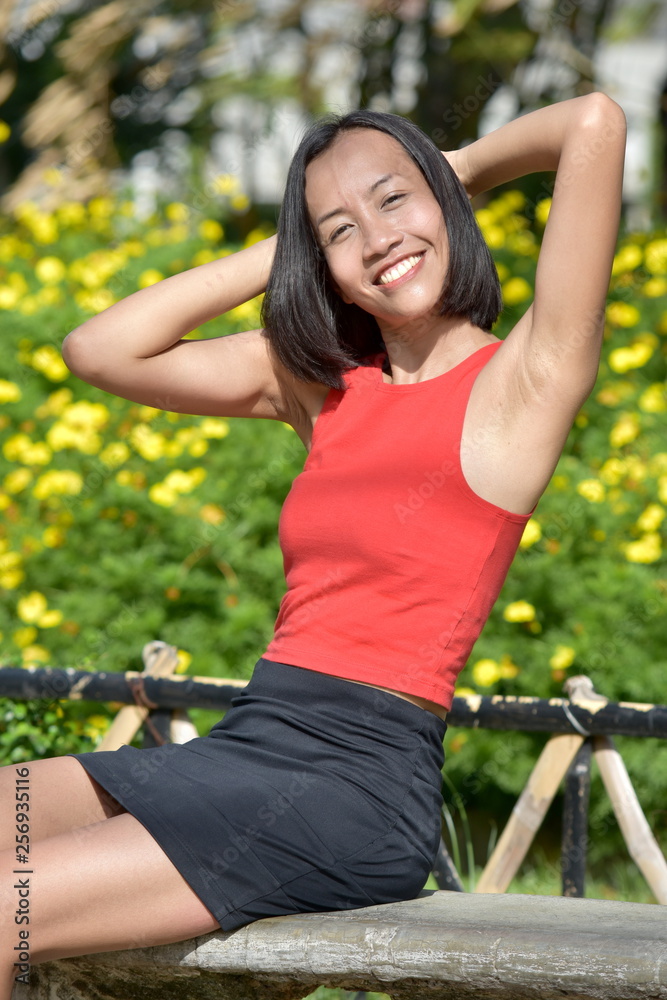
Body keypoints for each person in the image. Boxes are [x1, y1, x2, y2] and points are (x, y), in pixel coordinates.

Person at [0, 91, 626, 994]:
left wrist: (447, 173)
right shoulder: (324, 388)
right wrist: (296, 242)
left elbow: (592, 122)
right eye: (338, 232)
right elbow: (98, 349)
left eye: (394, 199)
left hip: (354, 791)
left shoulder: (525, 382)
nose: (376, 239)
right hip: (245, 746)